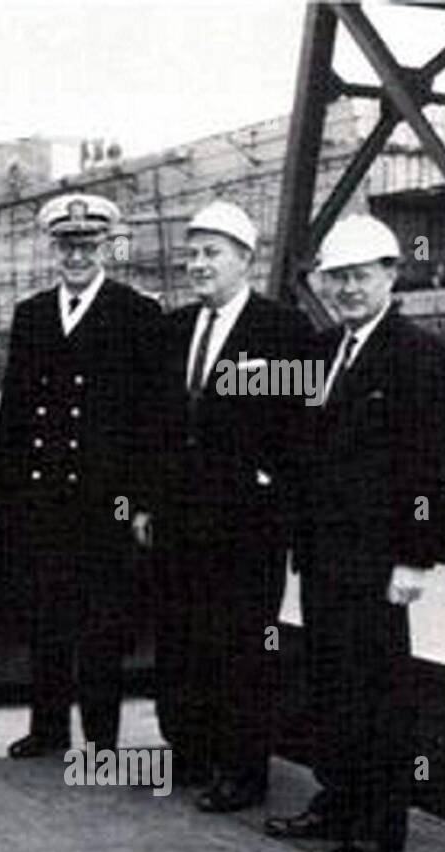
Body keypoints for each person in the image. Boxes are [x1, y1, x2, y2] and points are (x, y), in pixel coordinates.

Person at [266, 214, 445, 852]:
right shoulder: (322, 352)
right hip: (324, 556)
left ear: (389, 275)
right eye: (336, 277)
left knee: (379, 692)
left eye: (358, 276)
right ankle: (338, 798)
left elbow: (431, 464)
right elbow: (298, 448)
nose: (346, 289)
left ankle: (381, 826)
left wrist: (415, 556)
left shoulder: (416, 355)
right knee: (330, 680)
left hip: (379, 560)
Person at [154, 200, 315, 811]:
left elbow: (301, 426)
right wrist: (145, 503)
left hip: (248, 524)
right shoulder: (172, 331)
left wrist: (271, 488)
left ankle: (243, 771)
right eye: (193, 254)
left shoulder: (282, 332)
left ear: (245, 260)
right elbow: (157, 427)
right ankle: (190, 753)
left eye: (212, 254)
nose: (199, 265)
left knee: (244, 645)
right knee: (183, 637)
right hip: (178, 520)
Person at [0, 193, 162, 759]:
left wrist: (141, 502)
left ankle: (100, 739)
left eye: (87, 246)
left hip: (103, 501)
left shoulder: (136, 314)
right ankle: (46, 728)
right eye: (67, 246)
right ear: (53, 251)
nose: (76, 257)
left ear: (106, 249)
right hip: (43, 496)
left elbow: (152, 419)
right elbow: (15, 416)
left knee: (101, 622)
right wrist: (11, 494)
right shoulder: (32, 314)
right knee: (45, 616)